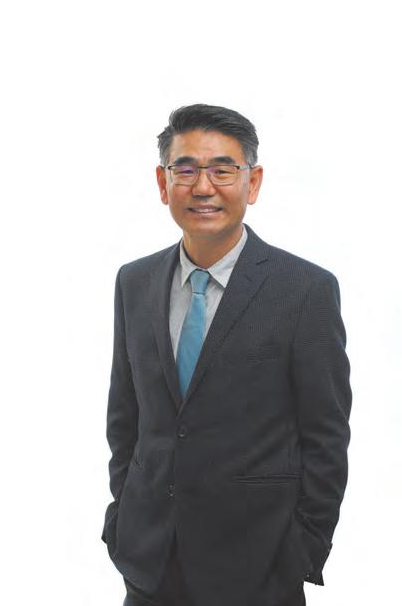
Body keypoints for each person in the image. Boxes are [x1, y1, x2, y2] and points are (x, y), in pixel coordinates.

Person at [101, 104, 352, 606]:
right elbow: (125, 417)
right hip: (149, 565)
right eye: (186, 169)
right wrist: (120, 520)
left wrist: (303, 550)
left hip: (258, 570)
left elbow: (326, 435)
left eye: (222, 170)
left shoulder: (304, 290)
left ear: (252, 183)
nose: (203, 187)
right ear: (163, 182)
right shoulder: (135, 281)